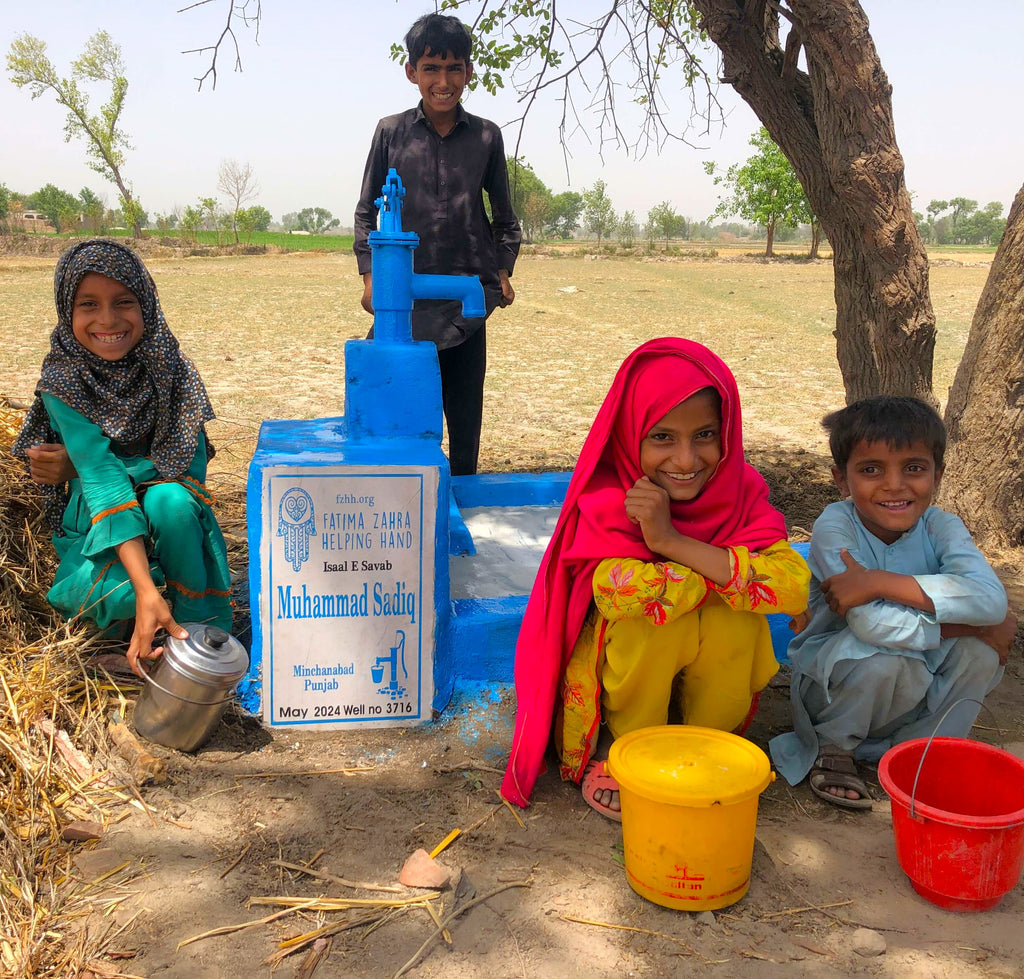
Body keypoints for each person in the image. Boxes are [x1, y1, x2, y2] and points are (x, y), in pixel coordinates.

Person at [500, 338, 811, 819]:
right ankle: (628, 745)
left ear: (727, 432)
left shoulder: (742, 490)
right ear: (630, 436)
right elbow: (620, 593)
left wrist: (669, 543)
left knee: (734, 624)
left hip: (706, 687)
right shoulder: (610, 497)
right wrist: (727, 576)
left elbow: (793, 586)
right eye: (662, 437)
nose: (686, 461)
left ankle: (708, 745)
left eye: (705, 435)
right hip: (629, 684)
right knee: (661, 620)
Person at [769, 396, 1015, 809]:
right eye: (871, 470)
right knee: (886, 658)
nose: (895, 485)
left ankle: (925, 753)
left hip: (911, 690)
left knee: (980, 655)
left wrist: (879, 582)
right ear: (842, 481)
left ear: (938, 474)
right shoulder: (836, 525)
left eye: (914, 468)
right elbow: (871, 626)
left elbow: (991, 601)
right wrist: (971, 625)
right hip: (837, 687)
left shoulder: (941, 526)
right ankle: (834, 748)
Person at [12, 238, 233, 677]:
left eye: (124, 302)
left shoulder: (172, 369)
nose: (108, 320)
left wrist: (73, 466)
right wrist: (145, 588)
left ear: (146, 304)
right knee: (128, 594)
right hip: (99, 522)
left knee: (170, 502)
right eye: (88, 304)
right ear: (66, 309)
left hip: (171, 515)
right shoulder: (64, 378)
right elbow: (101, 480)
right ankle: (135, 628)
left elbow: (188, 472)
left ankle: (194, 643)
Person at [353, 12, 522, 476]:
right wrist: (371, 278)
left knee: (464, 421)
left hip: (467, 304)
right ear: (412, 73)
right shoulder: (391, 132)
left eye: (453, 69)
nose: (442, 81)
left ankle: (463, 510)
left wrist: (502, 270)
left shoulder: (487, 136)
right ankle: (402, 510)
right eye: (431, 68)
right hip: (404, 305)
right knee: (397, 419)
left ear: (469, 72)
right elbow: (367, 211)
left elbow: (505, 220)